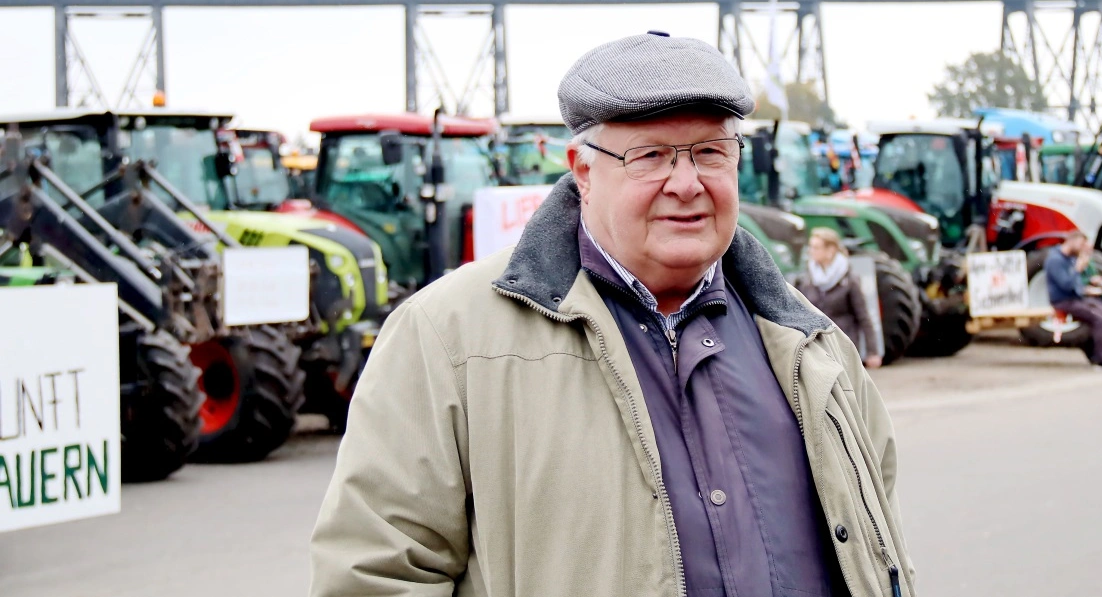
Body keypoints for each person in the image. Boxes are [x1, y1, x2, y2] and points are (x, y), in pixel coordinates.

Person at [310, 32, 916, 597]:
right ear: (583, 172)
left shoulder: (813, 348)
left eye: (709, 152)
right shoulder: (447, 341)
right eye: (650, 155)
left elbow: (874, 549)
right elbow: (377, 572)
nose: (686, 183)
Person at [797, 227, 884, 368]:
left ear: (830, 250)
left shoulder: (850, 281)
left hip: (844, 348)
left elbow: (864, 317)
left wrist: (872, 351)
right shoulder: (807, 280)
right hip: (818, 348)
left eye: (816, 247)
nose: (811, 251)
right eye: (811, 247)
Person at [1045, 230, 1102, 369]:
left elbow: (1077, 284)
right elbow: (1066, 284)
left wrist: (1090, 285)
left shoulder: (1070, 258)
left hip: (1078, 298)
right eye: (1081, 244)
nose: (1083, 248)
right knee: (1100, 319)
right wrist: (1078, 269)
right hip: (1064, 301)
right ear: (1071, 241)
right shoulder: (1055, 260)